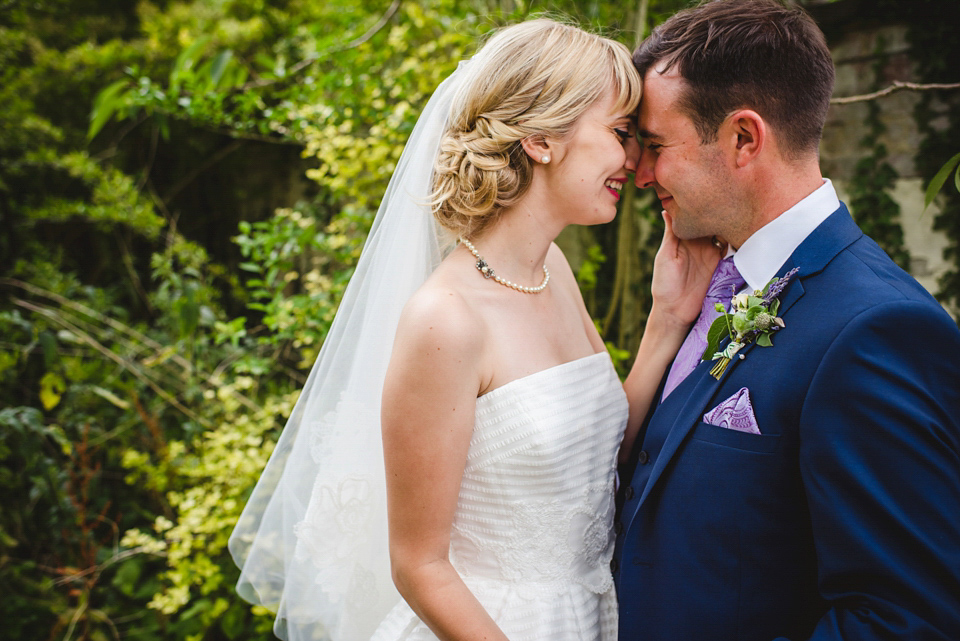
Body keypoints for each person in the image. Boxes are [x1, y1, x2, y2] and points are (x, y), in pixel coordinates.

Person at [229, 18, 718, 641]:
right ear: (542, 139)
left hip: (592, 616)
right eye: (621, 132)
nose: (633, 159)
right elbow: (418, 565)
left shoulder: (552, 271)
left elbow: (598, 457)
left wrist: (668, 318)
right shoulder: (445, 320)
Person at [613, 1, 960, 640]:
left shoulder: (876, 330)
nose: (638, 173)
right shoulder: (711, 288)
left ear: (744, 138)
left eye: (656, 146)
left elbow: (908, 621)